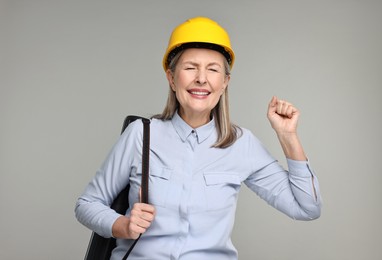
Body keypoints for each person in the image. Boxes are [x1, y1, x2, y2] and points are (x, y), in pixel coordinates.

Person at [75, 16, 322, 260]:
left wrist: (287, 136)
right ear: (172, 78)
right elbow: (87, 204)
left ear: (225, 82)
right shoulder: (141, 134)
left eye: (213, 70)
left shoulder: (242, 144)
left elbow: (307, 208)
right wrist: (123, 225)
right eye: (190, 67)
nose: (201, 78)